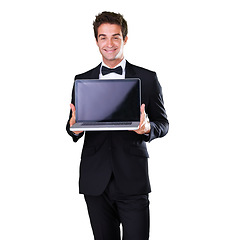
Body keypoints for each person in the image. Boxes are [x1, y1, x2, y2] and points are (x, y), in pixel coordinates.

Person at [66, 11, 169, 240]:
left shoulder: (148, 79)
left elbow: (163, 123)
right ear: (96, 41)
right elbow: (72, 124)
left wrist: (148, 128)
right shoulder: (82, 79)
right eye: (103, 37)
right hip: (95, 182)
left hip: (132, 179)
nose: (109, 43)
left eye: (115, 37)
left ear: (125, 39)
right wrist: (74, 128)